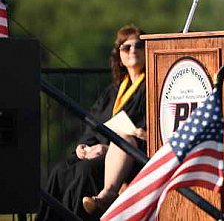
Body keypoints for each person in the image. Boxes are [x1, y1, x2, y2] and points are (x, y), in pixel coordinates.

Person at [37, 25, 147, 221]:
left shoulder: (151, 87)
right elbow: (92, 125)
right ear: (119, 55)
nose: (132, 50)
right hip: (98, 152)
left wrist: (107, 148)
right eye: (126, 47)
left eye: (139, 45)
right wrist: (84, 147)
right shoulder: (112, 92)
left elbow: (143, 129)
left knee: (84, 171)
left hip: (129, 158)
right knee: (61, 170)